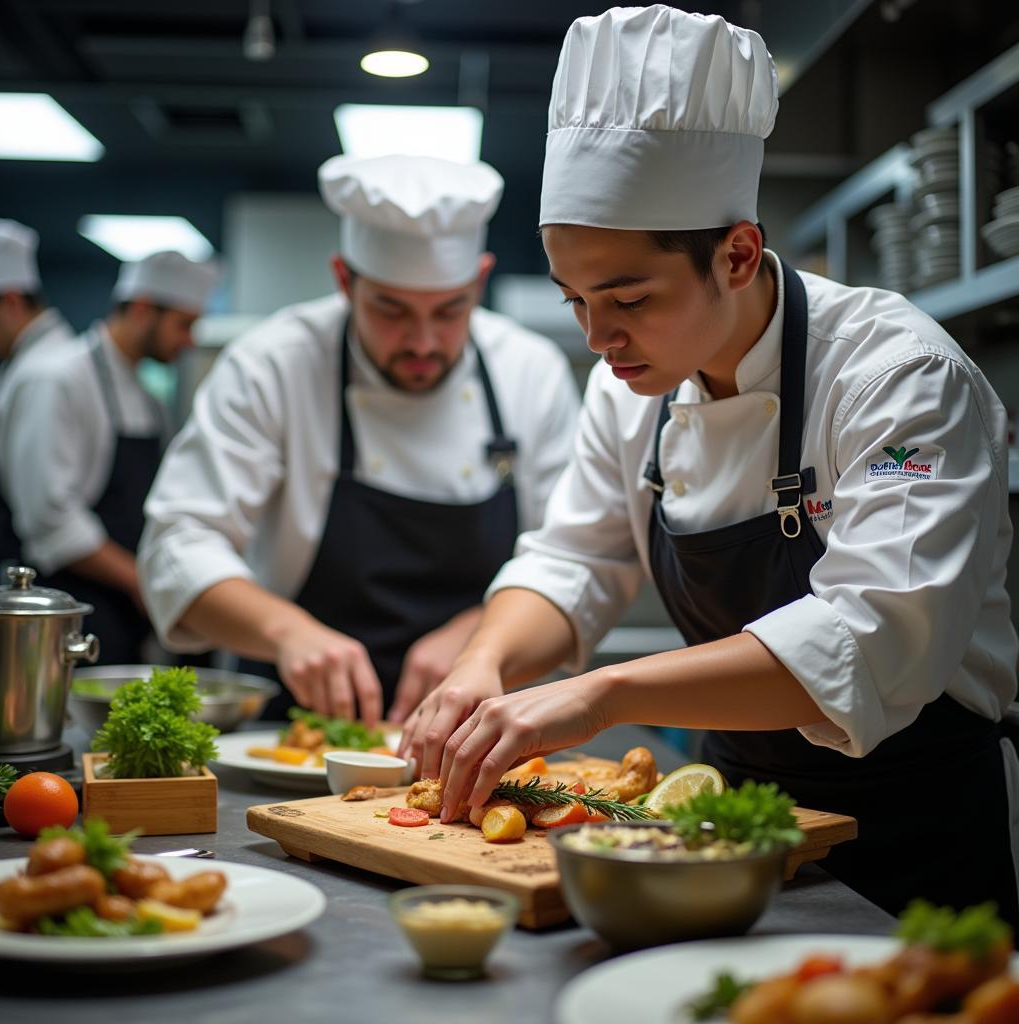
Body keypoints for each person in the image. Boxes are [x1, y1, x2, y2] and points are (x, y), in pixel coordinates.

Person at [403, 6, 1019, 927]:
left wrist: (598, 694)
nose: (597, 339)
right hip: (725, 819)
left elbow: (878, 633)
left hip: (912, 823)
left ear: (736, 254)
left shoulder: (901, 377)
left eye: (629, 298)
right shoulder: (631, 387)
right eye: (576, 300)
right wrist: (482, 663)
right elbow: (574, 561)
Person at [138, 155, 580, 725]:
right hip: (300, 725)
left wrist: (480, 639)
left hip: (487, 722)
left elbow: (569, 559)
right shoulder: (273, 364)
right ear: (344, 280)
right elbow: (177, 542)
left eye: (449, 310)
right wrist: (287, 631)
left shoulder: (529, 372)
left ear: (479, 280)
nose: (423, 342)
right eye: (391, 310)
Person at [0, 249, 218, 663]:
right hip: (66, 611)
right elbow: (51, 522)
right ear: (141, 309)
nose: (190, 341)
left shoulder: (148, 397)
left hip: (123, 610)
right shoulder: (58, 379)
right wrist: (142, 582)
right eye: (184, 324)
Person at [0, 219, 75, 573]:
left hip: (54, 581)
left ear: (10, 302)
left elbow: (48, 518)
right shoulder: (26, 365)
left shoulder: (42, 373)